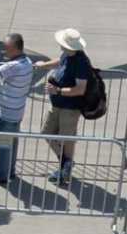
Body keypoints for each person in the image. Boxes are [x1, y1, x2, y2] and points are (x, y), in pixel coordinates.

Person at [38, 28, 93, 185]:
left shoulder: (81, 62)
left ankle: (65, 170)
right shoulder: (67, 54)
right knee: (46, 132)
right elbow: (59, 61)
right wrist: (44, 65)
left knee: (66, 140)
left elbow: (80, 89)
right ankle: (66, 163)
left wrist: (58, 90)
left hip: (70, 109)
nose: (60, 46)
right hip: (57, 104)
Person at [0, 33, 35, 186]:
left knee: (1, 144)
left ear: (16, 49)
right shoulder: (27, 62)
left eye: (6, 49)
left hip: (6, 113)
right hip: (16, 111)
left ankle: (1, 176)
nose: (4, 52)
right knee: (10, 143)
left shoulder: (14, 65)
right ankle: (9, 171)